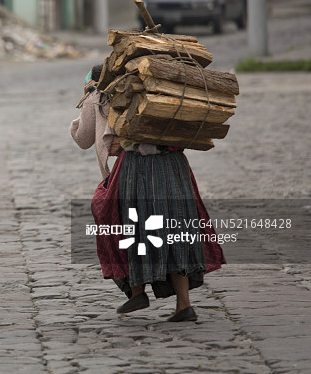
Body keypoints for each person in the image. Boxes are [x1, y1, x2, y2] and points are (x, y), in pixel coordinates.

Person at [71, 65, 224, 322]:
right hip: (173, 165)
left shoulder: (101, 95)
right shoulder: (170, 92)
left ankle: (137, 292)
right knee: (175, 231)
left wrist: (88, 96)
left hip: (134, 167)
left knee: (133, 228)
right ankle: (183, 305)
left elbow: (82, 137)